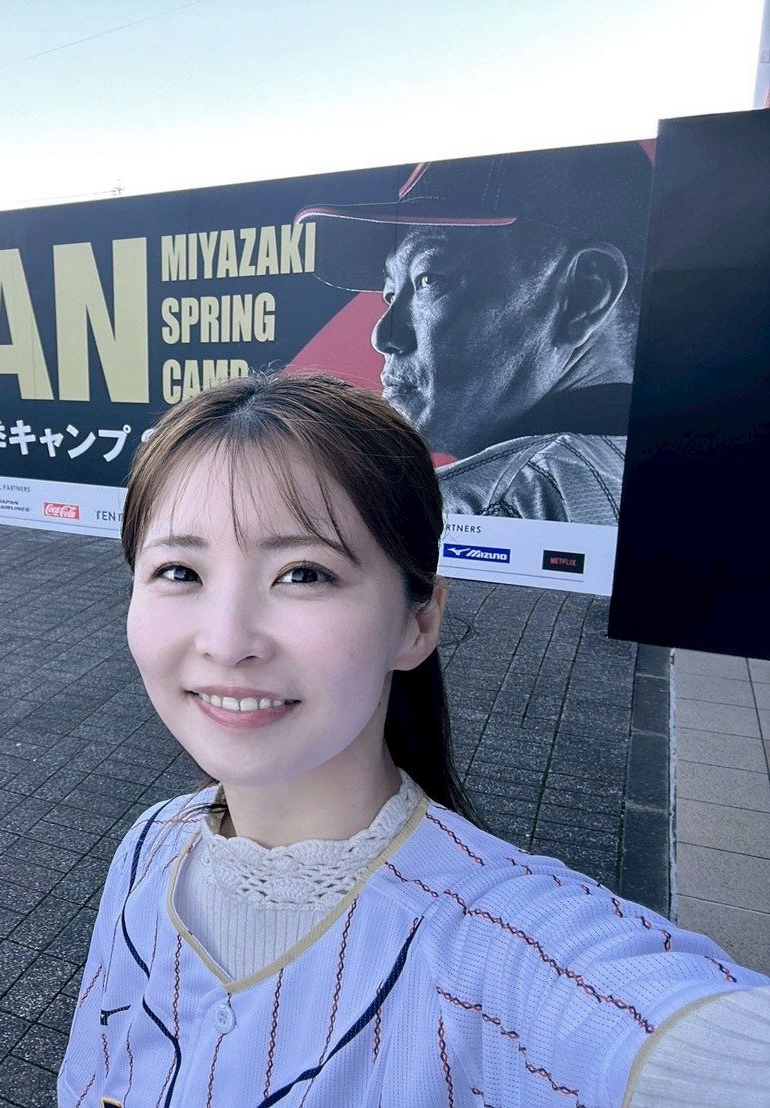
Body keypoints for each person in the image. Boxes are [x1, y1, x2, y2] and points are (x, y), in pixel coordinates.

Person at [59, 372, 769, 1106]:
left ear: (418, 621)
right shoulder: (151, 846)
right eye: (179, 570)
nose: (226, 640)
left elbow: (674, 1037)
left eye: (303, 574)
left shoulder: (495, 946)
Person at [296, 145, 651, 525]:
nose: (384, 337)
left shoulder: (473, 507)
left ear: (586, 292)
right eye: (389, 293)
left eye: (429, 279)